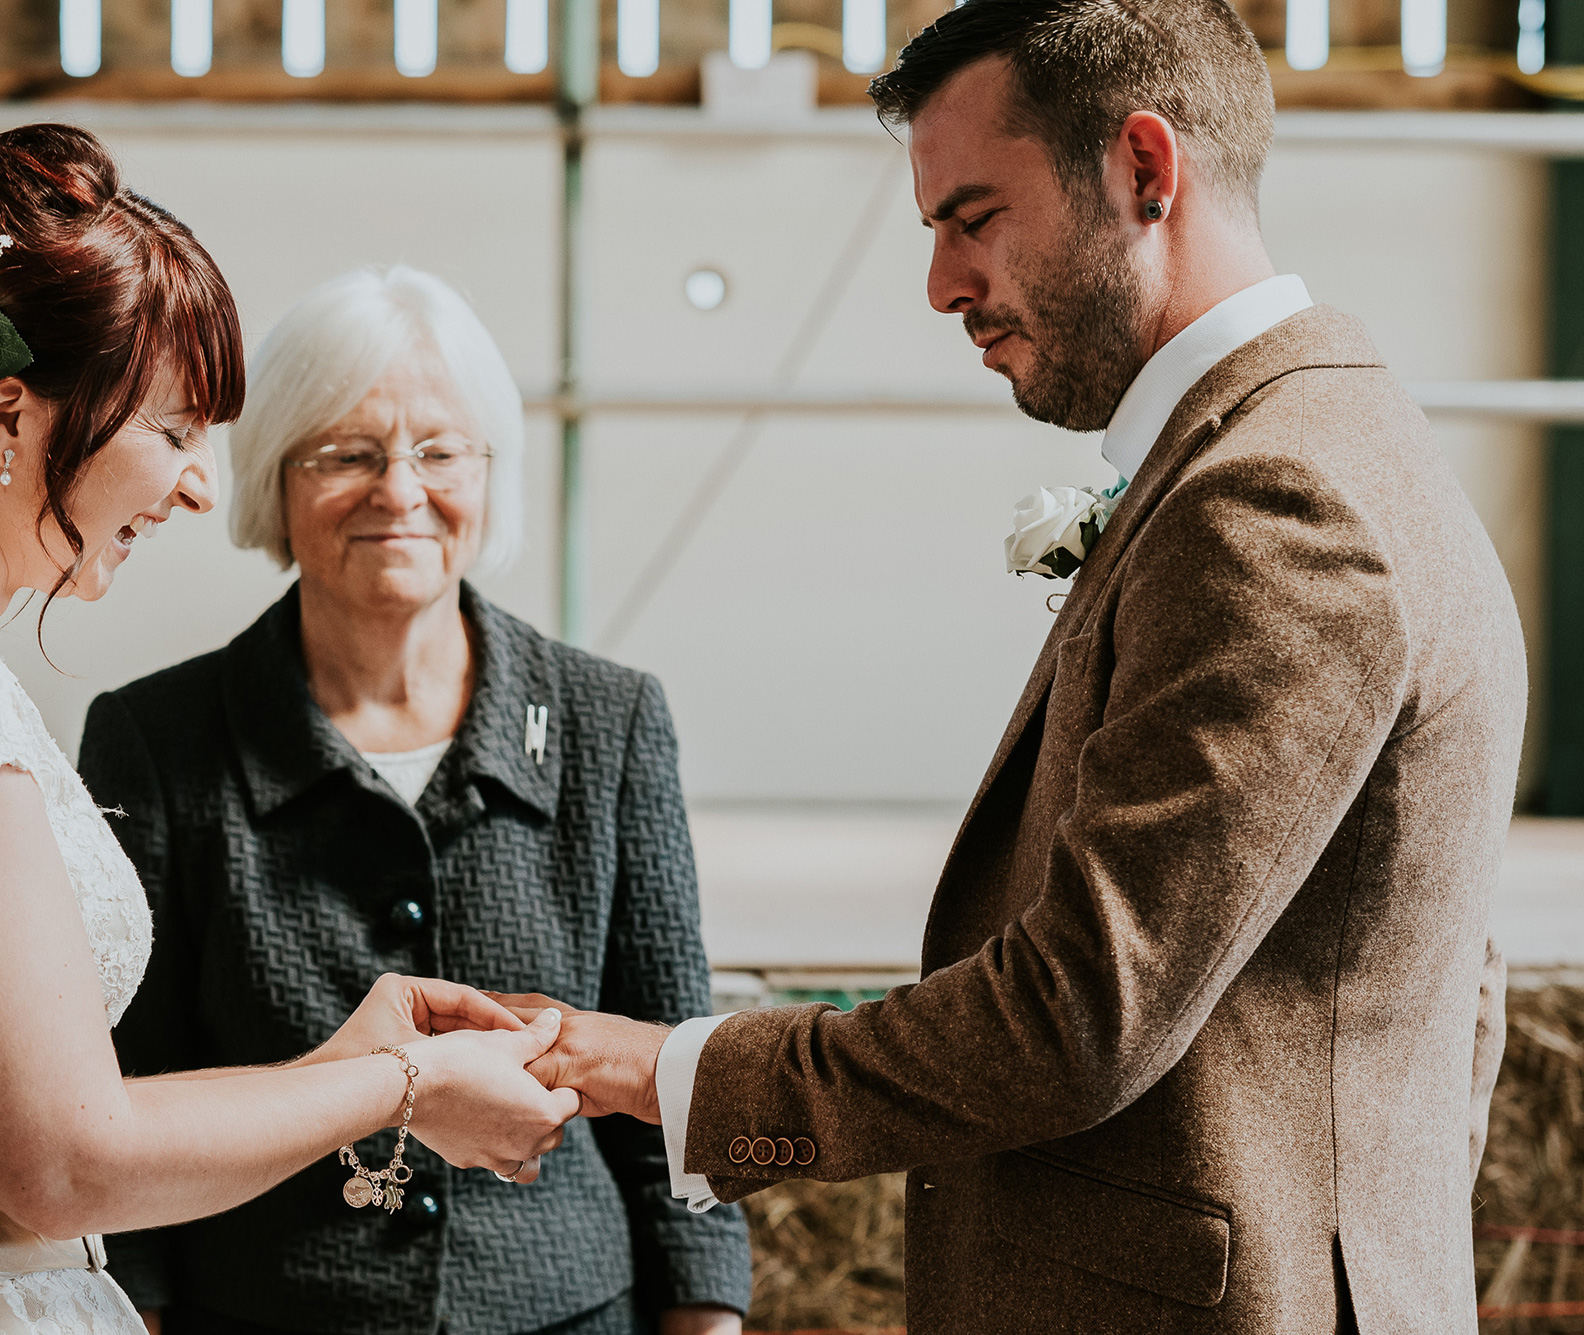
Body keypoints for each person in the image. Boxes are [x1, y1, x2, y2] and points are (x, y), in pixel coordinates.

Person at [508, 1, 1528, 1330]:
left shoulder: (1275, 504)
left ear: (1145, 171)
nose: (941, 284)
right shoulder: (1329, 439)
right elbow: (1466, 988)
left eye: (971, 216)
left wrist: (668, 1069)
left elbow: (1078, 1013)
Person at [0, 127, 578, 1335]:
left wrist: (331, 1070)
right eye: (171, 431)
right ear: (4, 416)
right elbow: (60, 1166)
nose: (200, 485)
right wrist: (399, 1085)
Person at [76, 266, 751, 1335]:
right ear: (273, 482)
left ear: (490, 475)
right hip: (262, 1313)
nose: (399, 490)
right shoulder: (156, 739)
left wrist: (706, 1320)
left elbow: (669, 1076)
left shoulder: (607, 721)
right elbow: (127, 1082)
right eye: (345, 453)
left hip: (567, 1313)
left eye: (440, 451)